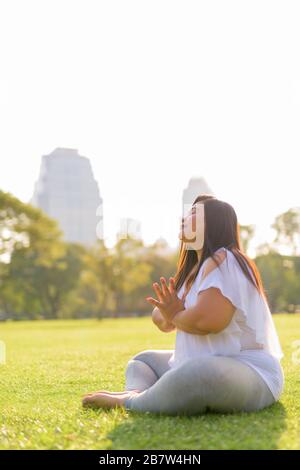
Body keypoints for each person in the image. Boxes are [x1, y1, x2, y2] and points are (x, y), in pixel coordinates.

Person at [82, 194, 284, 415]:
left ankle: (132, 402)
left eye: (194, 213)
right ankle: (140, 393)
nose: (184, 219)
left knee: (199, 373)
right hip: (203, 364)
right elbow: (160, 319)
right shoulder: (193, 272)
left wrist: (176, 314)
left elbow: (208, 321)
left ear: (213, 224)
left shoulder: (226, 259)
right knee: (144, 361)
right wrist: (175, 313)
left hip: (250, 371)